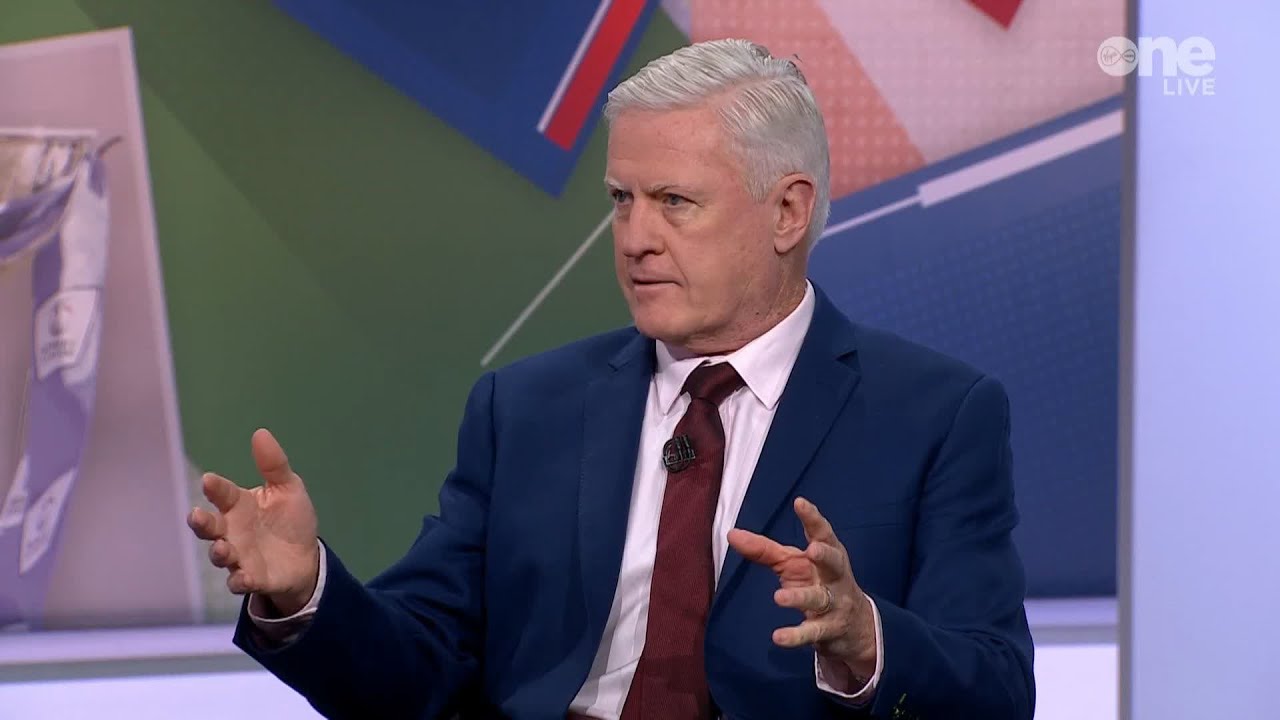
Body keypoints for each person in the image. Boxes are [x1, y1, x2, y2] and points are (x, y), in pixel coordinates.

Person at [187, 39, 1035, 720]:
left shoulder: (932, 416)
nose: (633, 239)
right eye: (621, 200)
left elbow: (996, 691)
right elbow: (415, 676)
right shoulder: (526, 410)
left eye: (674, 202)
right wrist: (307, 592)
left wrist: (866, 639)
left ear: (787, 211)